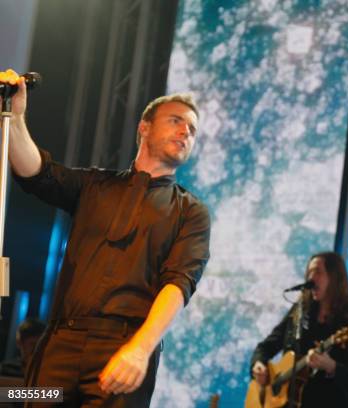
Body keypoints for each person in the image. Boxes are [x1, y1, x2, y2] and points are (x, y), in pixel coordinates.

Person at [1, 69, 210, 406]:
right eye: (176, 121)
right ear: (144, 127)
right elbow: (36, 172)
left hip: (123, 349)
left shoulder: (190, 211)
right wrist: (15, 118)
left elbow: (179, 283)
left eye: (192, 130)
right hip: (59, 343)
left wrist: (141, 349)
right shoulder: (96, 185)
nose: (186, 131)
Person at [250, 252, 348, 408]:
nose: (311, 278)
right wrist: (258, 364)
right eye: (309, 272)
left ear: (334, 278)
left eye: (318, 272)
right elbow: (267, 346)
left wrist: (330, 366)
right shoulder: (300, 310)